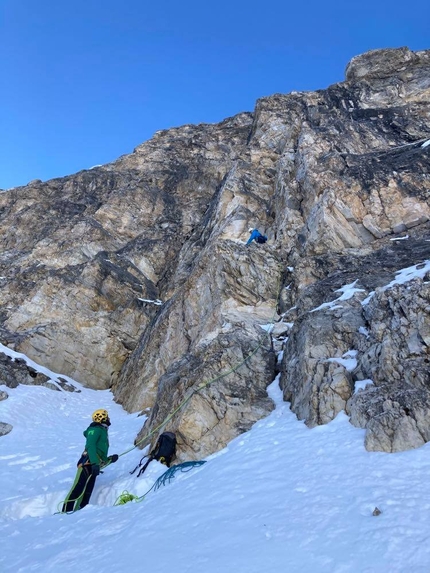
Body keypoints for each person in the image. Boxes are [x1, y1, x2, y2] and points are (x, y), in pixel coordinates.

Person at [62, 409, 118, 513]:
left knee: (88, 489)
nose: (109, 418)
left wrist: (110, 459)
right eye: (107, 416)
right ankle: (65, 512)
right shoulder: (95, 430)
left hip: (93, 464)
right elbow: (90, 446)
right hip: (87, 463)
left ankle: (81, 510)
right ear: (102, 418)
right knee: (77, 489)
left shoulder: (102, 430)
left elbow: (100, 451)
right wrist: (95, 463)